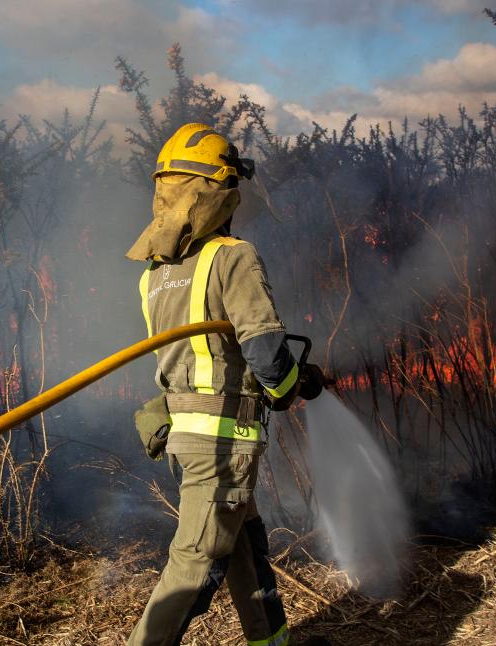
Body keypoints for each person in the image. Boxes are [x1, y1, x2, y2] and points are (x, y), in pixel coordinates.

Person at [126, 123, 324, 646]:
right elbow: (262, 348)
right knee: (195, 569)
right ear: (222, 194)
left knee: (245, 550)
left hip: (188, 438)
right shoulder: (231, 256)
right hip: (221, 443)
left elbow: (195, 357)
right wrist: (290, 384)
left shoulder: (156, 272)